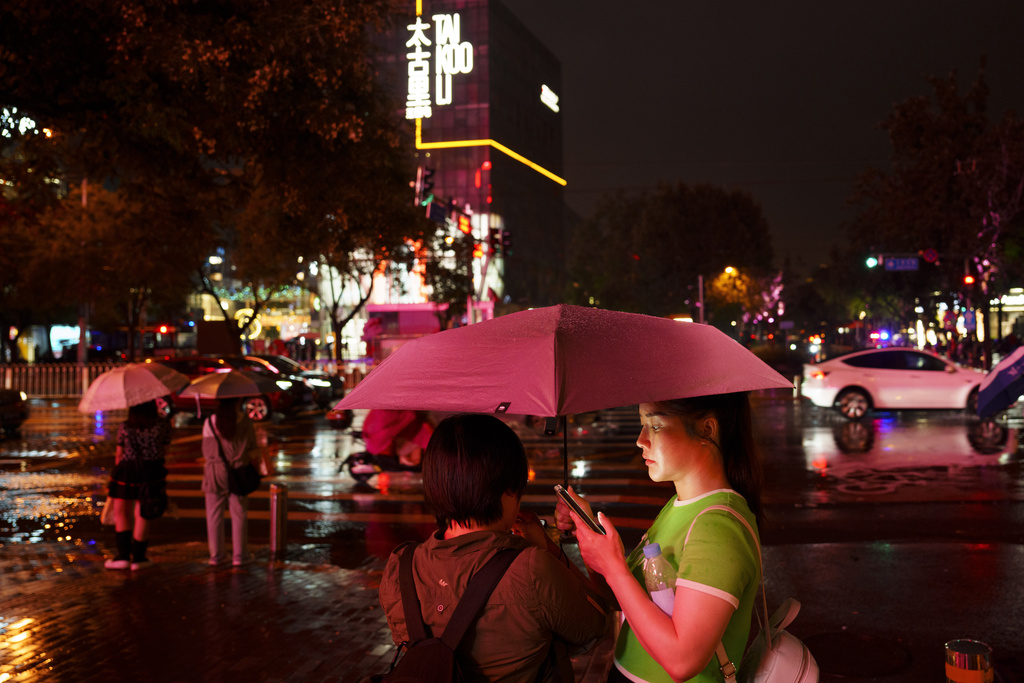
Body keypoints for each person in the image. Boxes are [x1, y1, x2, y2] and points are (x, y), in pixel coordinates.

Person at [379, 413, 609, 683]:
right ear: (510, 488)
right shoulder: (532, 568)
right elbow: (596, 623)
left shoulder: (400, 566)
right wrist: (549, 548)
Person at [556, 393, 763, 683]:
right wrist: (590, 535)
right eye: (643, 425)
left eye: (655, 426)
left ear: (707, 430)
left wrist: (615, 568)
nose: (641, 440)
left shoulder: (718, 527)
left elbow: (682, 661)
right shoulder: (680, 505)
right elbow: (623, 600)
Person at [104, 399, 171, 571]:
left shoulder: (125, 427)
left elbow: (119, 454)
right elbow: (164, 450)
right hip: (152, 471)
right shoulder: (162, 425)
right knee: (143, 513)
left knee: (122, 514)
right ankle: (139, 558)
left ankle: (123, 557)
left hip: (126, 471)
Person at [202, 397, 265, 567]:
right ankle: (240, 555)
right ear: (237, 402)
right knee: (239, 514)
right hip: (239, 472)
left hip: (215, 473)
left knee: (214, 515)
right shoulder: (245, 421)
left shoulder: (210, 422)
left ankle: (217, 556)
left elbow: (207, 451)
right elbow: (252, 449)